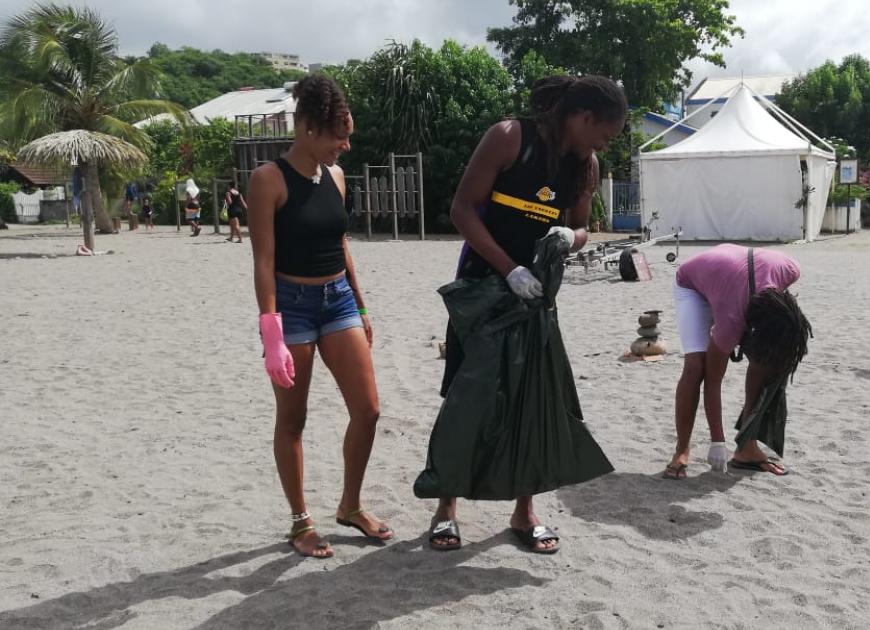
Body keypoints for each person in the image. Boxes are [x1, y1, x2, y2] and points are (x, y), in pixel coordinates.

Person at [418, 75, 627, 555]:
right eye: (605, 133)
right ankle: (446, 507)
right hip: (482, 288)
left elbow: (580, 228)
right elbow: (463, 210)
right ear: (583, 117)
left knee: (532, 399)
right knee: (466, 394)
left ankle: (523, 511)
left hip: (536, 295)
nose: (604, 144)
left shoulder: (585, 165)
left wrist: (567, 239)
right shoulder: (509, 136)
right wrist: (508, 268)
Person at [248, 73, 392, 558]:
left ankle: (350, 505)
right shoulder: (268, 180)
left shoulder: (335, 176)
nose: (346, 146)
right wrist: (271, 332)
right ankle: (300, 520)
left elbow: (340, 242)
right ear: (308, 128)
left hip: (339, 301)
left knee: (368, 410)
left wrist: (362, 303)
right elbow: (263, 262)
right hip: (290, 308)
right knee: (293, 418)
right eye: (339, 135)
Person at [663, 244, 812, 480]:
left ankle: (746, 447)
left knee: (768, 360)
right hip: (693, 283)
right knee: (696, 367)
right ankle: (681, 450)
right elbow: (712, 382)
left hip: (733, 276)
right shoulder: (731, 321)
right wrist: (717, 440)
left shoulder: (790, 270)